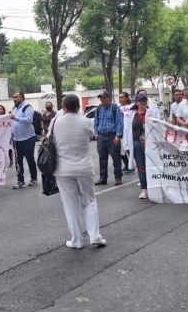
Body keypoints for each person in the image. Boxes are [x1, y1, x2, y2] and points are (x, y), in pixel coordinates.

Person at [51, 94, 106, 249]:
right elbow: (92, 135)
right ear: (78, 107)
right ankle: (95, 235)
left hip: (62, 169)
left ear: (63, 107)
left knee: (71, 204)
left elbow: (50, 140)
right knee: (89, 201)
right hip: (84, 167)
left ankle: (76, 240)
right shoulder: (87, 122)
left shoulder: (55, 122)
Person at [93, 91, 123, 186]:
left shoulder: (115, 108)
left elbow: (119, 122)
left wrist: (118, 135)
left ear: (108, 98)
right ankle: (103, 178)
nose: (102, 100)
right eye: (101, 98)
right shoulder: (98, 108)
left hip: (112, 136)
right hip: (101, 136)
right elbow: (96, 122)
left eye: (104, 98)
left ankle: (118, 178)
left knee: (116, 158)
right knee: (102, 158)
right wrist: (96, 133)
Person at [126, 94, 153, 199]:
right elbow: (127, 130)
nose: (143, 102)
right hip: (137, 143)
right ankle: (144, 189)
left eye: (145, 100)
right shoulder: (130, 115)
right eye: (141, 100)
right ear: (136, 102)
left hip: (151, 144)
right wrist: (127, 146)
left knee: (152, 166)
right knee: (141, 167)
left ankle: (154, 187)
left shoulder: (152, 113)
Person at [9, 91, 38, 189]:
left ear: (22, 97)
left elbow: (29, 120)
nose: (14, 99)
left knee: (30, 159)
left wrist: (16, 118)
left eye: (16, 97)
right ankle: (20, 181)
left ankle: (33, 178)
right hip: (17, 140)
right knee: (18, 162)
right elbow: (13, 125)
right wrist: (11, 137)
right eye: (13, 97)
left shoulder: (27, 107)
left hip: (28, 138)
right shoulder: (14, 109)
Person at [117, 92, 134, 173]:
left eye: (122, 97)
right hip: (120, 131)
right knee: (121, 150)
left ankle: (132, 167)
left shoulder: (132, 107)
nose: (120, 99)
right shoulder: (117, 108)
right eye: (119, 97)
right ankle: (126, 165)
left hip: (129, 132)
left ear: (127, 98)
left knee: (129, 149)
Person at [0, 104, 14, 170]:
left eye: (0, 109)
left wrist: (10, 135)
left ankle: (11, 160)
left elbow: (11, 126)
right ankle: (1, 162)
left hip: (6, 135)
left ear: (3, 110)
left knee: (8, 149)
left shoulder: (7, 117)